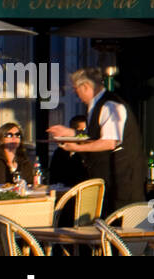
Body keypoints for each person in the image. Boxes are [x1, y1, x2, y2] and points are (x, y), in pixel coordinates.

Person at [47, 68, 145, 213]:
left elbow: (109, 142)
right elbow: (94, 135)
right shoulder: (97, 106)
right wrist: (71, 133)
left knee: (121, 227)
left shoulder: (110, 105)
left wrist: (76, 148)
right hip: (107, 181)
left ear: (85, 86)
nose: (75, 93)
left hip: (120, 183)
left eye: (75, 89)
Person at [48, 115, 89, 188]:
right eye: (82, 131)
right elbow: (54, 177)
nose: (84, 135)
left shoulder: (91, 151)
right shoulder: (61, 152)